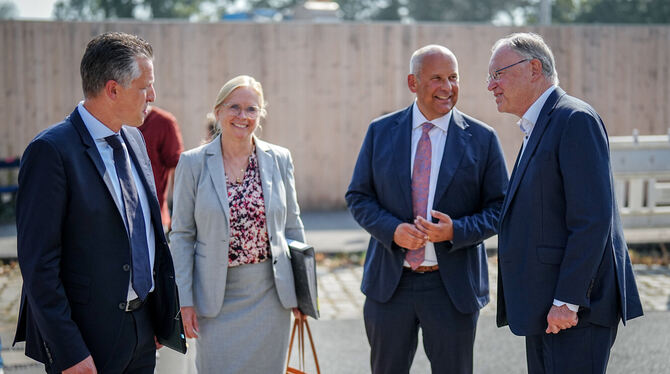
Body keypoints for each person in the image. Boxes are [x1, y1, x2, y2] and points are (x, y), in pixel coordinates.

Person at [13, 32, 183, 373]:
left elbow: (147, 232)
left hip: (143, 331)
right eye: (145, 85)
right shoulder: (51, 151)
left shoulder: (134, 138)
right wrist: (69, 351)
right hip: (86, 344)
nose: (153, 95)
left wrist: (154, 315)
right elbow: (39, 266)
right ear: (113, 89)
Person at [345, 45, 508, 373]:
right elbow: (359, 196)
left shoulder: (482, 139)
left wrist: (455, 231)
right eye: (436, 78)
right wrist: (393, 230)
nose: (447, 87)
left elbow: (501, 207)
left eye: (453, 77)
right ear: (412, 82)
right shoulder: (380, 132)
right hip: (390, 285)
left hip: (451, 290)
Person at [487, 32, 643, 373]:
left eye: (497, 73)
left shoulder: (574, 120)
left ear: (533, 68)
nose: (491, 85)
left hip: (574, 312)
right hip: (544, 308)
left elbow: (592, 220)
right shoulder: (539, 125)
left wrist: (567, 301)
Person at [170, 75, 306, 374]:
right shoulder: (192, 163)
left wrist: (302, 292)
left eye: (251, 109)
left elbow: (293, 228)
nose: (242, 116)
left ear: (260, 114)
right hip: (214, 296)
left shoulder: (280, 158)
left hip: (271, 295)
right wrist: (185, 299)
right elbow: (181, 235)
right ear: (217, 112)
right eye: (234, 107)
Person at [138, 105, 184, 231]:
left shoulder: (163, 122)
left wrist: (180, 214)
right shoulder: (114, 122)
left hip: (155, 217)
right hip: (120, 217)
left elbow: (178, 168)